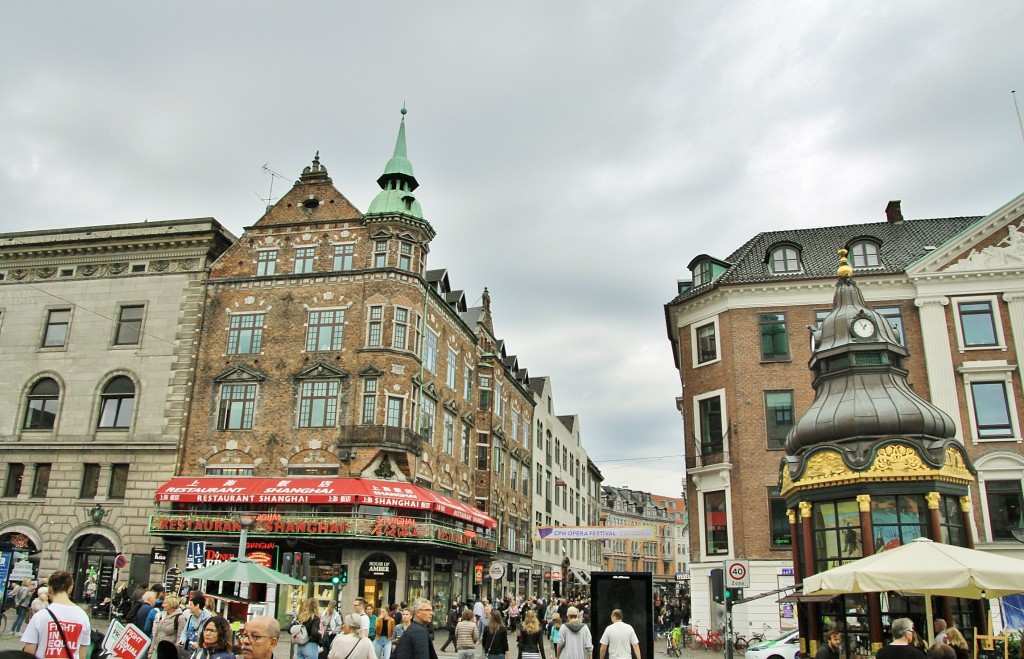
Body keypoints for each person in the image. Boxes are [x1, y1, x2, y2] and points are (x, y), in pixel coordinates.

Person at [20, 570, 91, 659]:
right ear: (70, 588)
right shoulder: (83, 616)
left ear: (49, 588)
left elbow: (28, 653)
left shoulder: (40, 616)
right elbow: (82, 655)